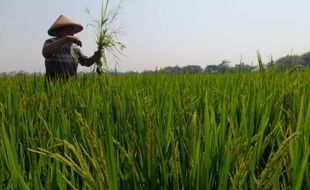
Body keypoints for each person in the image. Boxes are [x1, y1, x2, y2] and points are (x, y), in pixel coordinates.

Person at [42, 15, 101, 79]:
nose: (71, 32)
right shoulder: (51, 42)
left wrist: (95, 56)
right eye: (68, 29)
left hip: (70, 86)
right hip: (53, 86)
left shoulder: (74, 48)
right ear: (58, 31)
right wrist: (65, 39)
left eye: (72, 30)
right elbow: (46, 53)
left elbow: (86, 62)